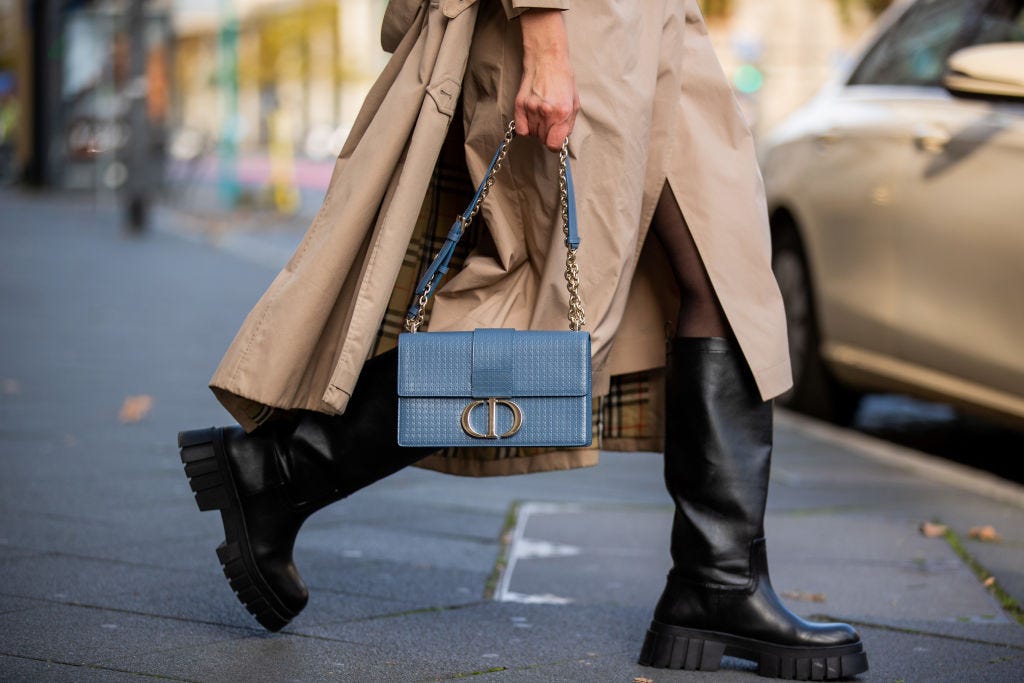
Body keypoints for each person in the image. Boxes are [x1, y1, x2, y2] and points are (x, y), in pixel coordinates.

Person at [178, 1, 868, 679]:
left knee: (730, 274)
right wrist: (543, 33)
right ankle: (276, 472)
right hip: (576, 21)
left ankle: (718, 582)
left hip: (662, 18)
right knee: (550, 315)